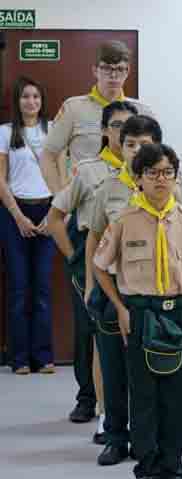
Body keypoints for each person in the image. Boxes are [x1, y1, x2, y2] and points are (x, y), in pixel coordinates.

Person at [93, 143, 182, 479]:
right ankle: (146, 471)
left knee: (177, 398)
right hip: (140, 312)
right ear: (138, 179)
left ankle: (172, 469)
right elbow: (101, 267)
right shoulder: (123, 221)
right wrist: (120, 306)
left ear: (176, 177)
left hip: (177, 312)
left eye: (167, 172)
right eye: (152, 173)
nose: (161, 179)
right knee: (144, 396)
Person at [45, 100, 137, 430]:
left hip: (137, 262)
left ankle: (128, 413)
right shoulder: (88, 169)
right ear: (104, 130)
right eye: (116, 125)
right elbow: (55, 219)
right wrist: (74, 260)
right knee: (98, 337)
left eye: (130, 125)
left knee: (130, 339)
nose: (124, 131)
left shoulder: (150, 169)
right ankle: (99, 408)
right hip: (93, 253)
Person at [86, 114, 166, 466]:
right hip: (114, 292)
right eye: (130, 144)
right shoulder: (109, 188)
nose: (136, 151)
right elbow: (93, 237)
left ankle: (150, 442)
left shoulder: (169, 187)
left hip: (153, 294)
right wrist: (91, 286)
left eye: (144, 145)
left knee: (151, 373)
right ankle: (116, 437)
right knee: (115, 368)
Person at [40, 40, 152, 194]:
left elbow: (156, 159)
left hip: (130, 204)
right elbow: (48, 155)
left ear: (127, 71)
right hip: (85, 203)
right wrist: (60, 199)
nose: (113, 75)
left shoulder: (142, 112)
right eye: (106, 68)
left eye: (119, 69)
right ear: (95, 70)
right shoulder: (74, 108)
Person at [0, 76, 55, 375]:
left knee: (43, 288)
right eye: (25, 97)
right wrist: (18, 216)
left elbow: (65, 176)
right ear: (17, 101)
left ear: (42, 100)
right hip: (14, 212)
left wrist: (53, 215)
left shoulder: (54, 131)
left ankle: (44, 356)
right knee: (20, 288)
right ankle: (19, 358)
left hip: (47, 210)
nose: (30, 102)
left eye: (35, 96)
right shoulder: (5, 132)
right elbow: (0, 178)